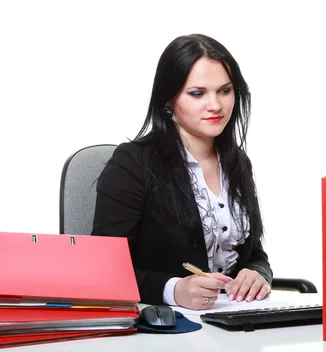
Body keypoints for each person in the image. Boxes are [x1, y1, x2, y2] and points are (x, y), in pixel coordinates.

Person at [91, 33, 272, 311]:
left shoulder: (238, 162)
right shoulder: (133, 163)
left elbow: (254, 253)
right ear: (169, 100)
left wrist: (259, 274)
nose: (216, 105)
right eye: (198, 93)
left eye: (224, 90)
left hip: (233, 318)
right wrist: (172, 290)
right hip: (166, 324)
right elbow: (103, 271)